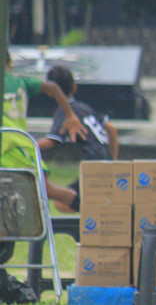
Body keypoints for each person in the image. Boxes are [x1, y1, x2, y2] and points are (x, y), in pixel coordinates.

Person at [2, 52, 86, 211]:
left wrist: (70, 116)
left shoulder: (14, 81)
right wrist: (70, 115)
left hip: (14, 146)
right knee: (43, 191)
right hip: (14, 144)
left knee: (46, 189)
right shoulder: (20, 82)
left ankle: (94, 212)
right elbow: (52, 87)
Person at [36, 65, 119, 212]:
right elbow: (111, 129)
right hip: (103, 158)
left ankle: (100, 215)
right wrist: (113, 159)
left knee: (63, 203)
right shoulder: (83, 107)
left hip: (92, 162)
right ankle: (101, 214)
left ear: (49, 92)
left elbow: (52, 141)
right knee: (79, 201)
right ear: (74, 88)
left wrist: (25, 144)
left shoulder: (65, 112)